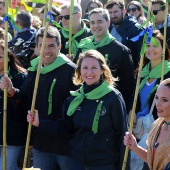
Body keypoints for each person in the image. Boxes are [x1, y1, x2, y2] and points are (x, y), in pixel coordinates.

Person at [27, 49, 130, 170]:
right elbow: (64, 127)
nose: (89, 72)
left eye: (94, 68)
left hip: (104, 164)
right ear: (79, 71)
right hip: (77, 162)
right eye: (85, 67)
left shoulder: (113, 97)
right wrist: (39, 123)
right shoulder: (75, 98)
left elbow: (123, 134)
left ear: (102, 70)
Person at [0, 25, 77, 170]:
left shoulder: (71, 70)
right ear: (36, 47)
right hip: (41, 143)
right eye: (42, 46)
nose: (46, 51)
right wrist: (11, 91)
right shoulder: (34, 69)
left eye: (51, 46)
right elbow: (24, 99)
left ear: (59, 46)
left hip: (66, 144)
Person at [76, 8, 134, 112]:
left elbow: (128, 84)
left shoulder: (121, 50)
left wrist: (129, 109)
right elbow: (77, 76)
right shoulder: (83, 46)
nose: (96, 26)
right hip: (85, 102)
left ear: (108, 22)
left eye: (99, 22)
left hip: (110, 105)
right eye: (92, 22)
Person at [129, 30, 170, 170]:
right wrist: (131, 111)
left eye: (155, 45)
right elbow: (132, 97)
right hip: (137, 127)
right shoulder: (141, 72)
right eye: (147, 45)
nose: (150, 49)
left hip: (158, 130)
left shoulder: (168, 72)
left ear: (163, 49)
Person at [124, 77, 170, 170]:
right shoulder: (156, 124)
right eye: (157, 98)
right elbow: (152, 160)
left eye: (164, 100)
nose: (158, 103)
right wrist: (135, 147)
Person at [0, 40, 27, 170]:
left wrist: (11, 91)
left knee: (6, 167)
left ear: (8, 57)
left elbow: (25, 103)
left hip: (13, 133)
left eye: (0, 56)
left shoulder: (21, 77)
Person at [105, 0, 143, 69]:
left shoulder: (136, 29)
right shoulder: (107, 27)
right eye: (110, 12)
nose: (113, 16)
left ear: (124, 11)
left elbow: (141, 56)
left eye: (115, 12)